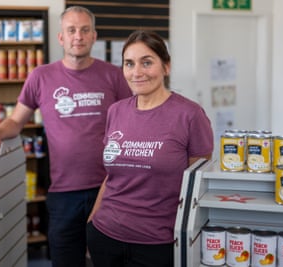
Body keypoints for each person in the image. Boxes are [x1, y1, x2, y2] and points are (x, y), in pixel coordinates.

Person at [0, 6, 132, 267]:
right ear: (61, 37)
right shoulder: (41, 76)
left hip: (110, 188)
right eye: (71, 30)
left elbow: (134, 121)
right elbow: (16, 121)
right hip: (63, 193)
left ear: (94, 36)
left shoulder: (114, 75)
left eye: (84, 30)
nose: (78, 36)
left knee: (111, 261)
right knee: (65, 261)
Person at [86, 30, 214, 267]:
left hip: (158, 244)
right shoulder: (116, 111)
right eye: (129, 63)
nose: (137, 72)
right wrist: (92, 220)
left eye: (147, 62)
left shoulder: (190, 115)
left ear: (166, 67)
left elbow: (198, 185)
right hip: (105, 235)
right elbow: (111, 175)